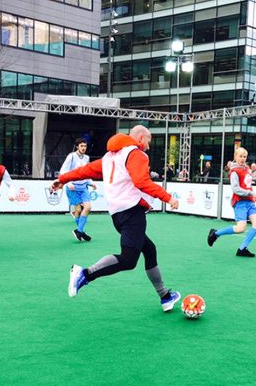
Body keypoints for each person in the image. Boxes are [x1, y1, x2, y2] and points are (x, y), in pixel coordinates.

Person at [50, 125, 181, 312]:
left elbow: (85, 170)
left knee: (149, 249)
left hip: (118, 216)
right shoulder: (136, 154)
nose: (149, 147)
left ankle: (165, 296)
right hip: (132, 213)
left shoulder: (110, 157)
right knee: (128, 260)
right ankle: (85, 274)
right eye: (149, 141)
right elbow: (142, 182)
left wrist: (62, 179)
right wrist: (168, 198)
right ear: (141, 138)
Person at [207, 147, 256, 257]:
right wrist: (251, 193)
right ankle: (216, 234)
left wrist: (253, 195)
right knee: (241, 228)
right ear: (235, 157)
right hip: (240, 203)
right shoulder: (234, 172)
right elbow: (236, 189)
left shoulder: (247, 169)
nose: (242, 159)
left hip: (250, 202)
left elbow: (247, 185)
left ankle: (242, 249)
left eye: (244, 157)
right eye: (240, 156)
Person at [59, 137, 95, 242]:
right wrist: (68, 182)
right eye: (82, 146)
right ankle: (81, 231)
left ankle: (79, 231)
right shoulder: (71, 156)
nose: (84, 148)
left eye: (85, 146)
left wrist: (91, 182)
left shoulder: (87, 158)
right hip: (73, 188)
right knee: (78, 210)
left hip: (83, 187)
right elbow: (63, 171)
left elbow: (87, 173)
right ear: (77, 147)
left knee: (88, 207)